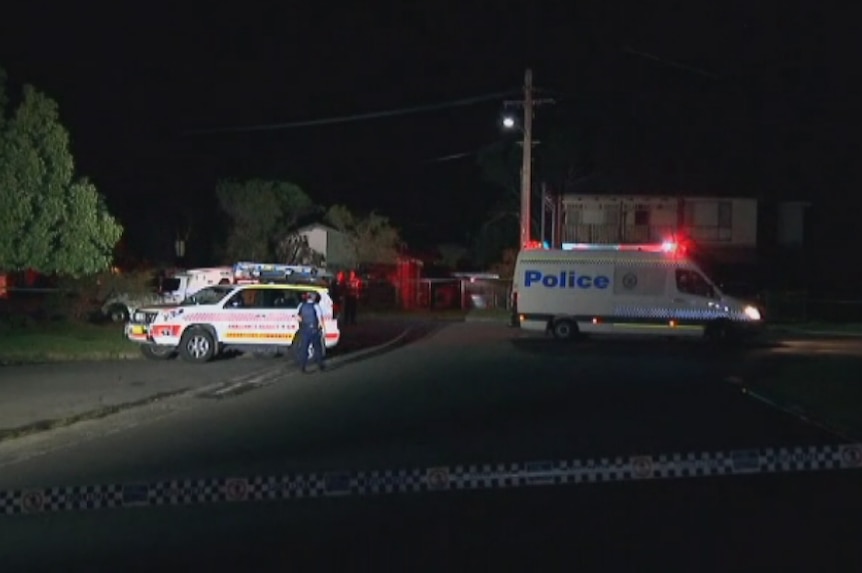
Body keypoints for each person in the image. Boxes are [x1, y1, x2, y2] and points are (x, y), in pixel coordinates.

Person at [296, 291, 326, 373]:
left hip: (304, 330)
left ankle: (302, 367)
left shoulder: (301, 305)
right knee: (317, 348)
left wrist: (302, 322)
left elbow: (297, 317)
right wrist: (322, 329)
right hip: (314, 330)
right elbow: (320, 319)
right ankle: (320, 365)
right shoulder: (316, 306)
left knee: (304, 349)